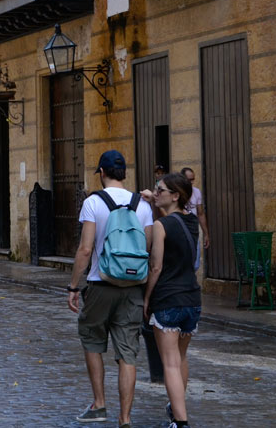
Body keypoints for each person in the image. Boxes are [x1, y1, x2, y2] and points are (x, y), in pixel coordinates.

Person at [68, 150, 153, 428]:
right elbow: (148, 247)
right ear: (124, 174)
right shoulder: (142, 205)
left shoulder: (94, 202)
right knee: (128, 353)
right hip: (133, 287)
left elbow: (85, 249)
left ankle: (99, 403)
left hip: (100, 282)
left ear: (102, 173)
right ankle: (125, 418)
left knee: (92, 340)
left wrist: (73, 286)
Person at [144, 172, 202, 428]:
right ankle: (177, 407)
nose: (156, 193)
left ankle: (181, 421)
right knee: (181, 358)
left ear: (176, 195)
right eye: (156, 190)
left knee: (169, 363)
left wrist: (147, 298)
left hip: (167, 299)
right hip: (192, 299)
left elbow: (155, 267)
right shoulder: (192, 223)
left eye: (160, 190)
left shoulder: (161, 226)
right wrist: (153, 202)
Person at [179, 168, 210, 250]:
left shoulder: (196, 192)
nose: (192, 182)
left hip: (193, 230)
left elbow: (201, 214)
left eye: (193, 179)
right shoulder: (176, 193)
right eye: (189, 180)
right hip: (180, 230)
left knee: (195, 256)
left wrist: (206, 233)